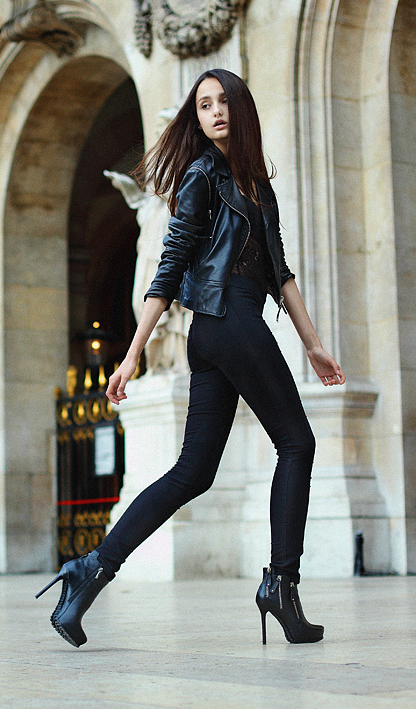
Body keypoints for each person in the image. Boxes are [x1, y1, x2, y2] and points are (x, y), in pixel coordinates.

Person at [37, 69, 345, 648]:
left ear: (242, 109)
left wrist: (313, 344)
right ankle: (281, 583)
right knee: (297, 444)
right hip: (227, 323)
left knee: (193, 472)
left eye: (224, 101)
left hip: (219, 333)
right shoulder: (202, 175)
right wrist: (132, 355)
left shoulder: (257, 185)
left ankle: (90, 570)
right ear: (197, 118)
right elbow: (169, 263)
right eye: (204, 105)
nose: (215, 112)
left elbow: (280, 273)